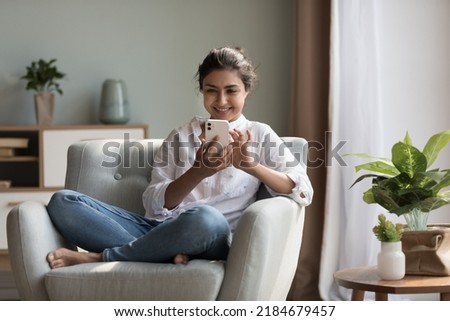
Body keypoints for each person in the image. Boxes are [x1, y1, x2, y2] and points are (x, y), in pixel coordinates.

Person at [46, 46, 313, 269]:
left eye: (231, 90)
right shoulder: (180, 136)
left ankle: (101, 257)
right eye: (211, 90)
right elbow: (153, 205)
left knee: (204, 218)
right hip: (157, 229)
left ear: (246, 91)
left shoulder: (260, 134)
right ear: (202, 91)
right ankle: (161, 253)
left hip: (211, 235)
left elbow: (302, 191)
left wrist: (253, 167)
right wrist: (197, 172)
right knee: (64, 201)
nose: (221, 100)